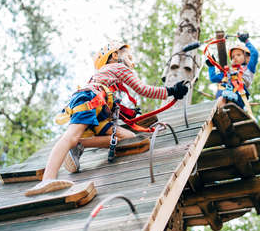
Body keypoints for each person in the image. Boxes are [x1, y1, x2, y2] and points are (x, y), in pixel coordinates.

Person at [25, 41, 188, 196]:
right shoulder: (117, 67)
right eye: (129, 56)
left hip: (100, 111)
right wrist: (171, 90)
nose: (132, 61)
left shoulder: (108, 75)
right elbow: (143, 89)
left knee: (129, 138)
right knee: (71, 136)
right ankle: (47, 179)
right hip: (89, 100)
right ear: (115, 55)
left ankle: (80, 144)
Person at [206, 32, 259, 111]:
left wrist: (246, 41)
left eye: (238, 55)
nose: (235, 58)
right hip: (225, 95)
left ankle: (225, 109)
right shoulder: (228, 73)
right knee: (221, 97)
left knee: (224, 96)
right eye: (233, 56)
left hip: (239, 95)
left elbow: (254, 54)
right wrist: (211, 66)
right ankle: (221, 112)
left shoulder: (248, 68)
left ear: (247, 58)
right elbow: (213, 78)